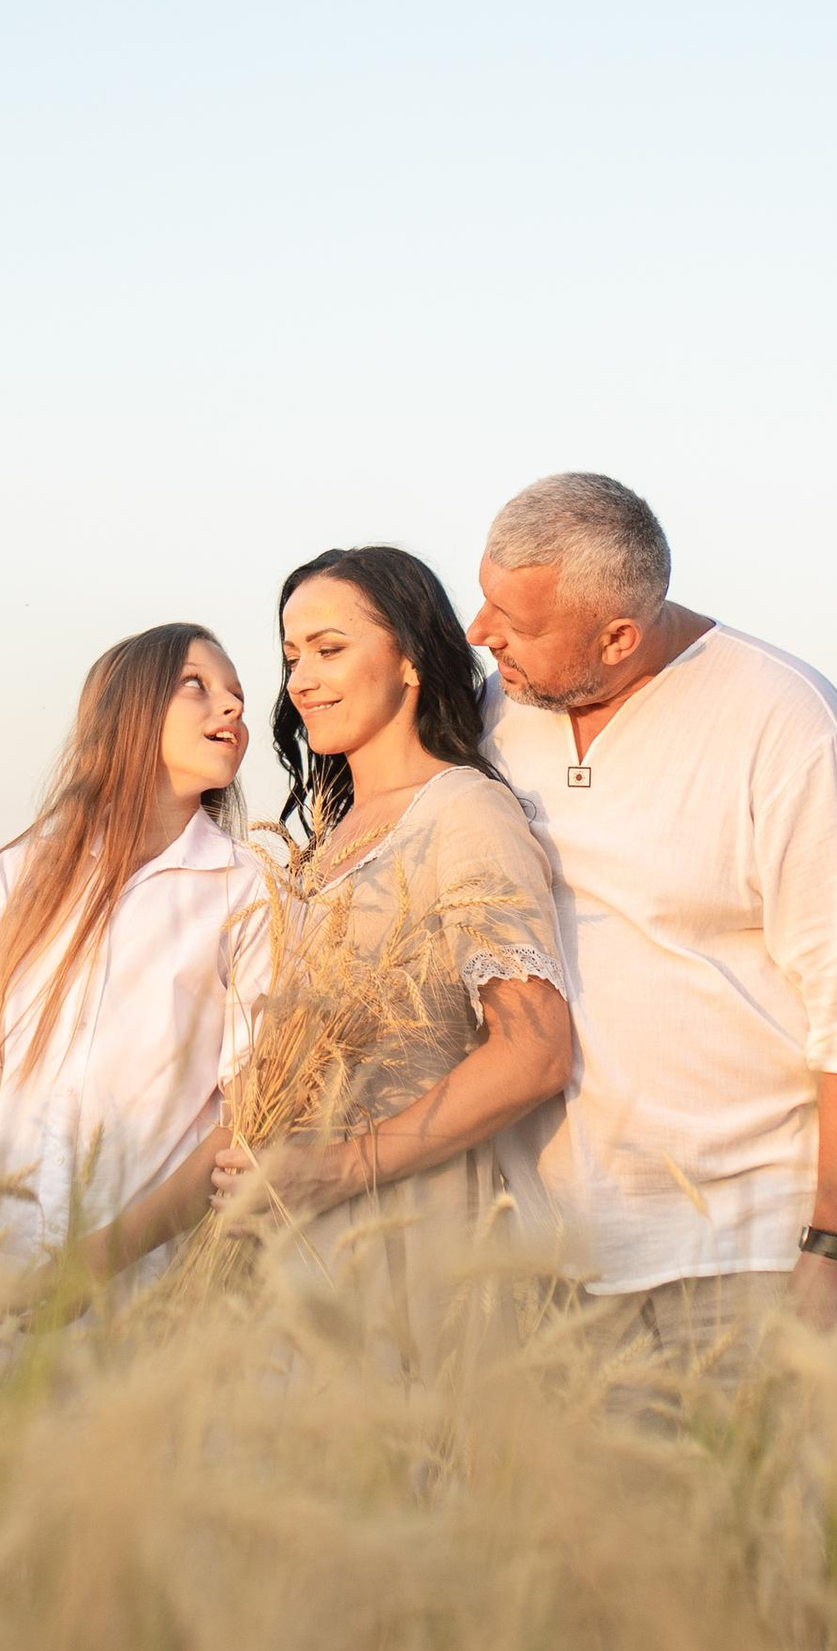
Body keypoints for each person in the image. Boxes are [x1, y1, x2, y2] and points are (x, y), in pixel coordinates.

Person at [468, 471, 837, 1388]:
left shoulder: (790, 726)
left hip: (756, 1259)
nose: (481, 633)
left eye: (513, 621)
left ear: (617, 637)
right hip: (561, 1269)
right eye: (484, 599)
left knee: (783, 1492)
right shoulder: (497, 713)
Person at [104, 547, 574, 1362]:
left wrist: (346, 1168)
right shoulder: (323, 839)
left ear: (412, 660)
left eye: (329, 649)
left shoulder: (464, 814)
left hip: (408, 1238)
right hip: (291, 1244)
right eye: (292, 657)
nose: (301, 681)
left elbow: (536, 1050)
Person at [0, 623, 269, 1276]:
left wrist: (95, 1264)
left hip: (146, 1282)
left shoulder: (250, 892)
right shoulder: (14, 878)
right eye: (196, 685)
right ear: (127, 710)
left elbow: (244, 1119)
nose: (231, 706)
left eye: (238, 696)